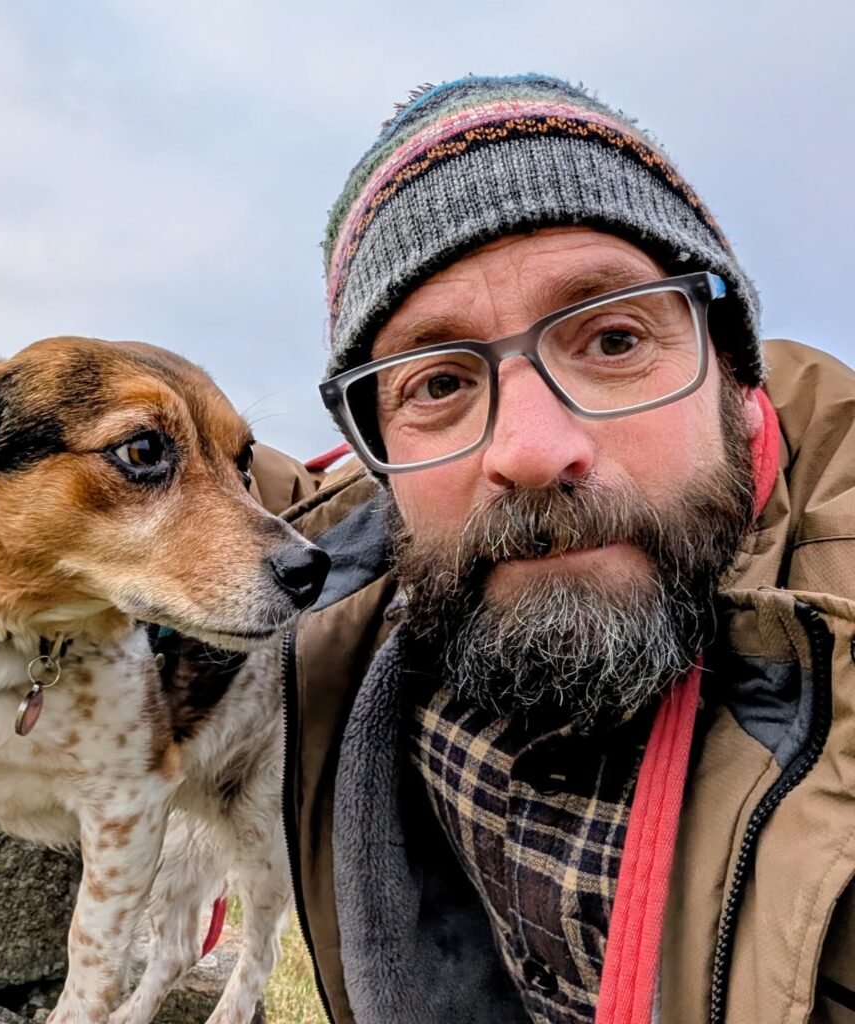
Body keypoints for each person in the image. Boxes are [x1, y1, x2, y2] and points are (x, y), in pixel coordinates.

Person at [274, 75, 855, 1024]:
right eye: (438, 382)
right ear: (381, 454)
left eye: (616, 338)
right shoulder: (354, 564)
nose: (532, 451)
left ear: (732, 370)